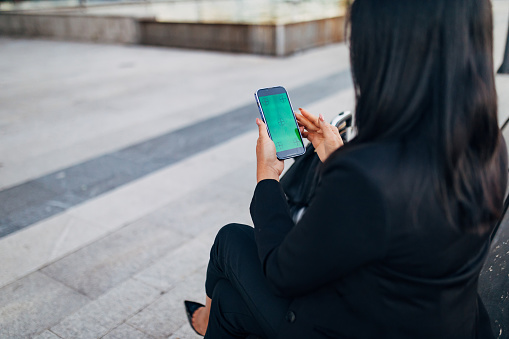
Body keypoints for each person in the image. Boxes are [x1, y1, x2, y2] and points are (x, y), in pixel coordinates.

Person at [184, 0, 508, 337]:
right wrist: (335, 153)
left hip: (358, 325)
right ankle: (212, 320)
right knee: (227, 300)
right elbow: (401, 218)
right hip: (443, 320)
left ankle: (209, 321)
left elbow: (282, 272)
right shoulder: (488, 145)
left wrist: (267, 178)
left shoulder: (368, 175)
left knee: (230, 240)